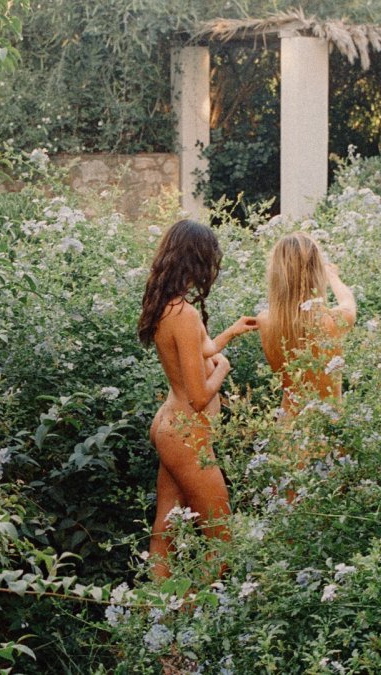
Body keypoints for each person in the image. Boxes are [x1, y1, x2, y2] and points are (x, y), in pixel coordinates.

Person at [138, 220, 258, 580]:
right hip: (187, 434)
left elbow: (199, 349)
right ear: (198, 261)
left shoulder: (167, 307)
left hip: (169, 426)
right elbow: (200, 396)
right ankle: (195, 621)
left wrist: (232, 332)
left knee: (166, 531)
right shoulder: (185, 314)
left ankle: (157, 619)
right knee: (221, 539)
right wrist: (224, 367)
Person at [257, 232, 357, 419]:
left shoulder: (265, 321)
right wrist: (333, 277)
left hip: (287, 430)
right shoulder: (333, 321)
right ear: (316, 271)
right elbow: (348, 302)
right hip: (328, 428)